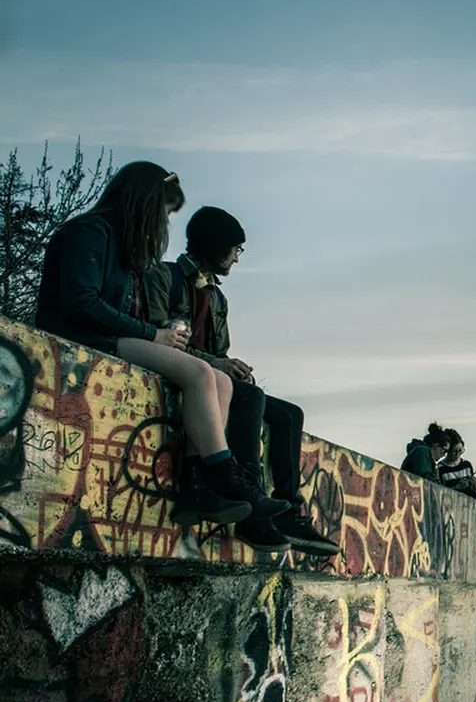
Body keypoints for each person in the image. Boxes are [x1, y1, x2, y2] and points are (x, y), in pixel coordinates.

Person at [34, 162, 258, 523]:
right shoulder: (89, 232)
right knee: (200, 372)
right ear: (144, 202)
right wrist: (155, 335)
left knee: (219, 379)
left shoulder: (120, 246)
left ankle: (201, 489)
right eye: (165, 212)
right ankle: (221, 474)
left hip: (106, 337)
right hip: (80, 339)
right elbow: (82, 303)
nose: (164, 223)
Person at [144, 206, 338, 556]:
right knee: (250, 398)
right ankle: (250, 509)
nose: (236, 258)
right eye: (235, 250)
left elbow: (220, 349)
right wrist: (217, 363)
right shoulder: (165, 277)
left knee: (289, 413)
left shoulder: (217, 297)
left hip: (214, 380)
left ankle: (289, 509)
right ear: (217, 246)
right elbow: (160, 335)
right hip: (178, 373)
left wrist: (231, 365)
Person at [438, 430, 476, 495]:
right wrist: (457, 487)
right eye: (454, 452)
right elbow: (440, 494)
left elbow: (474, 492)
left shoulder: (466, 465)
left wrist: (475, 486)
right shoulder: (440, 468)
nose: (458, 454)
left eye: (460, 450)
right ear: (448, 450)